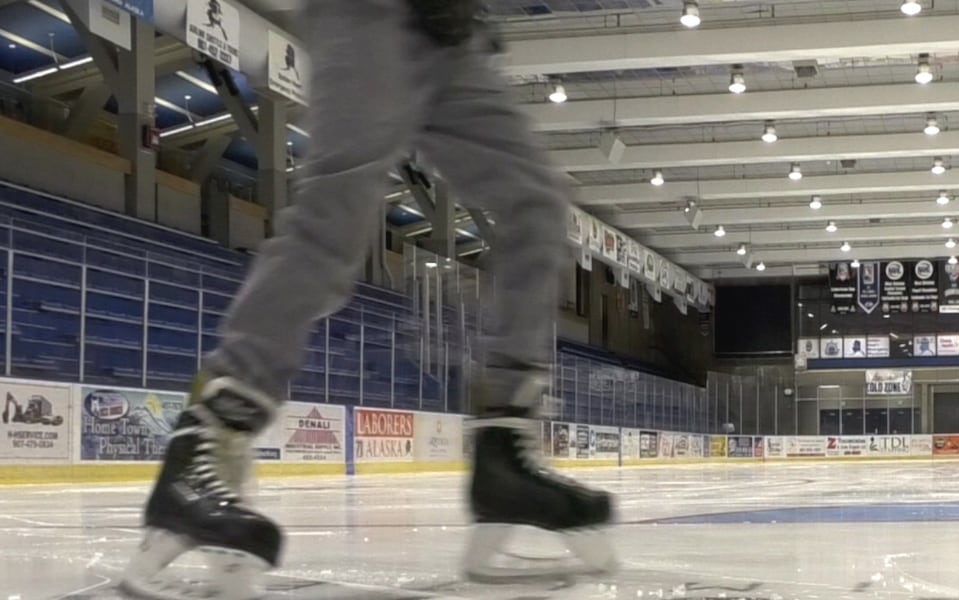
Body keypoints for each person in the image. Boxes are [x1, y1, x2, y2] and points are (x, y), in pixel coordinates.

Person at [120, 1, 615, 597]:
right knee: (333, 224)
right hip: (368, 13)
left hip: (453, 33)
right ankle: (205, 444)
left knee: (537, 209)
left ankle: (504, 451)